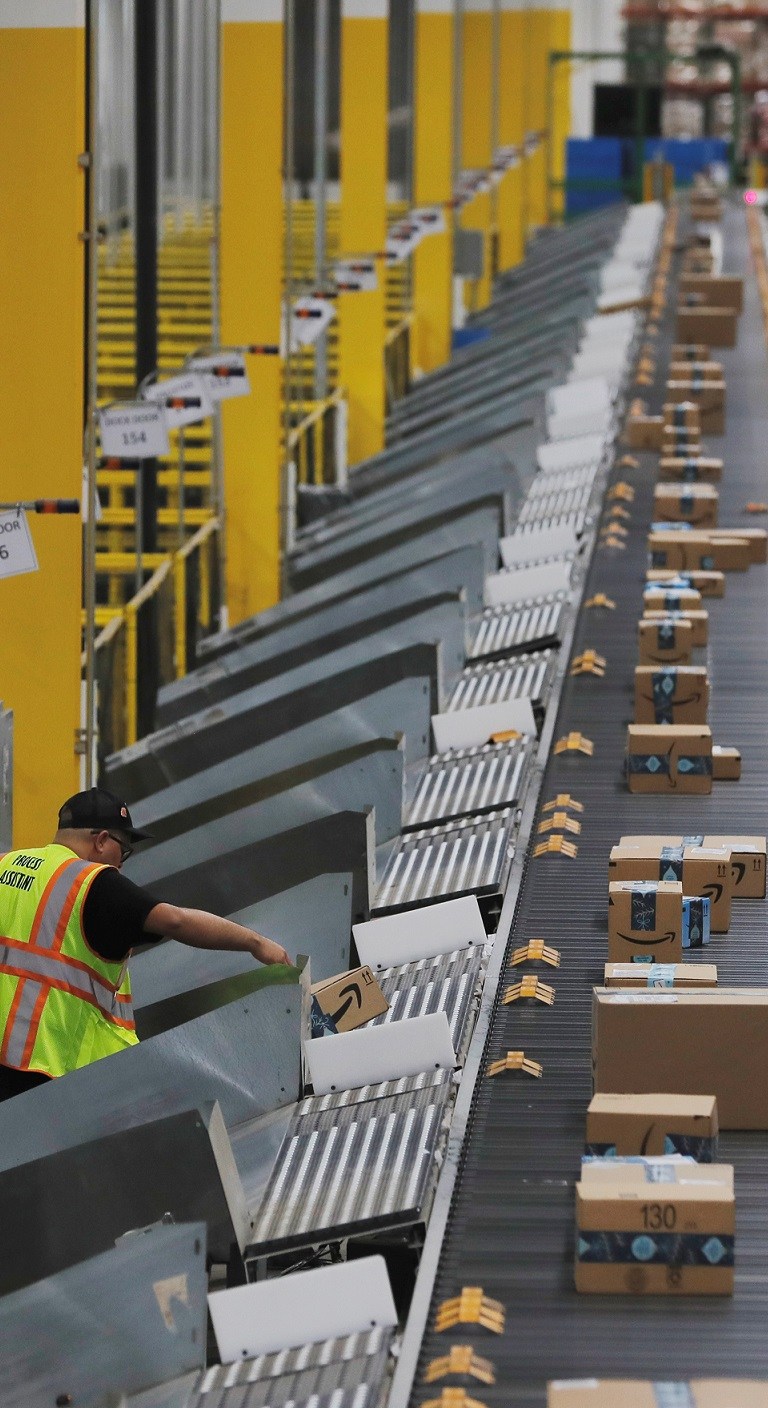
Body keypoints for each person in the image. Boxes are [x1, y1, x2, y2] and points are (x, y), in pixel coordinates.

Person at [0, 787, 292, 1101]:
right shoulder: (92, 883)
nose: (121, 865)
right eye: (123, 850)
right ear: (101, 841)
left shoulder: (5, 864)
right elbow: (175, 920)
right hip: (45, 1068)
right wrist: (256, 943)